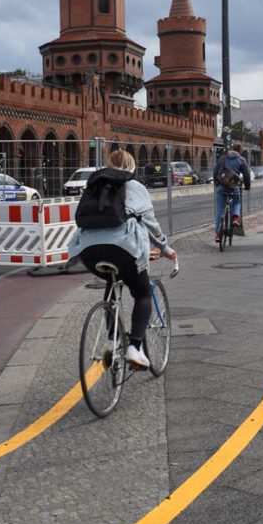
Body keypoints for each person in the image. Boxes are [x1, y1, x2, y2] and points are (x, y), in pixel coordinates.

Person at [68, 150, 176, 368]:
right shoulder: (135, 186)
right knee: (142, 293)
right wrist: (165, 248)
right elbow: (151, 224)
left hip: (88, 251)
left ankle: (112, 339)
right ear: (132, 167)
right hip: (123, 249)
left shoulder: (96, 184)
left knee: (111, 282)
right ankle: (135, 347)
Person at [212, 143, 252, 244]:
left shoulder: (223, 158)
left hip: (221, 185)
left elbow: (215, 171)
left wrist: (217, 183)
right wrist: (247, 186)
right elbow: (246, 175)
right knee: (237, 202)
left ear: (231, 149)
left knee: (220, 210)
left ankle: (217, 234)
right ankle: (234, 218)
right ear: (240, 151)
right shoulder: (241, 160)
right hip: (233, 187)